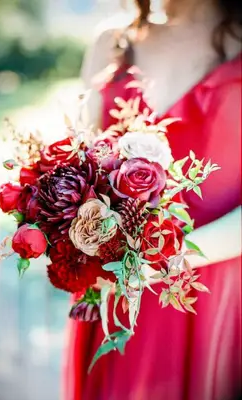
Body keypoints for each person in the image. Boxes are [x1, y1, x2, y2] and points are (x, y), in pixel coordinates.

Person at [63, 1, 242, 399]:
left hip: (214, 298)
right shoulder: (111, 42)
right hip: (113, 289)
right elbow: (81, 159)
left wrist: (161, 259)